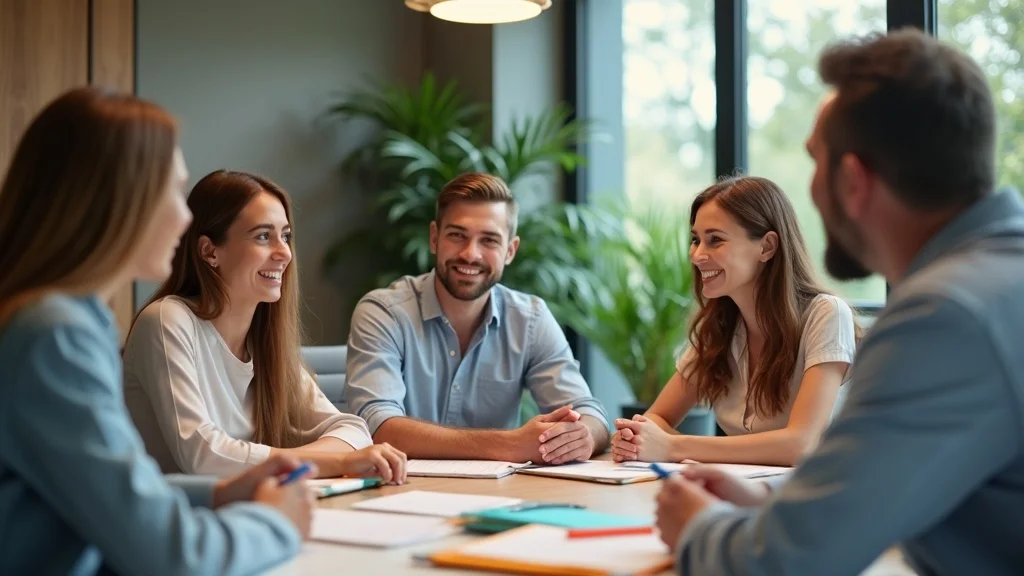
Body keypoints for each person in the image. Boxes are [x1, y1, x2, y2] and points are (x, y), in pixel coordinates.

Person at [655, 29, 1024, 575]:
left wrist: (699, 529)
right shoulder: (997, 283)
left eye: (814, 161)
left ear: (852, 179)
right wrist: (779, 507)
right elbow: (915, 489)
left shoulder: (943, 316)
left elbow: (788, 564)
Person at [0, 87, 315, 575]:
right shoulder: (54, 335)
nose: (185, 217)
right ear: (112, 200)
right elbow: (170, 556)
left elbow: (110, 492)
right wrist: (276, 524)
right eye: (171, 190)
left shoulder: (75, 319)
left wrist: (220, 492)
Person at [123, 170, 407, 482]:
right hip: (178, 521)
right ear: (209, 251)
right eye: (262, 236)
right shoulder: (166, 320)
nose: (284, 252)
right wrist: (338, 461)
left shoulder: (265, 342)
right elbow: (203, 454)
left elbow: (353, 429)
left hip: (247, 511)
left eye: (285, 236)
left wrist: (327, 460)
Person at [345, 172, 610, 463]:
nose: (470, 254)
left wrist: (582, 436)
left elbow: (590, 413)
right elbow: (379, 426)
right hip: (399, 492)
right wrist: (509, 444)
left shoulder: (530, 320)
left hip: (500, 498)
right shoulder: (384, 313)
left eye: (489, 240)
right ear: (434, 238)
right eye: (457, 235)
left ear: (510, 251)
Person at [611, 176, 857, 466]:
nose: (697, 255)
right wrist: (638, 437)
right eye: (695, 240)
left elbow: (801, 444)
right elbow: (657, 418)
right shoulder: (718, 328)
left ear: (767, 247)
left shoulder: (826, 315)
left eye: (715, 240)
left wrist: (672, 447)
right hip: (745, 496)